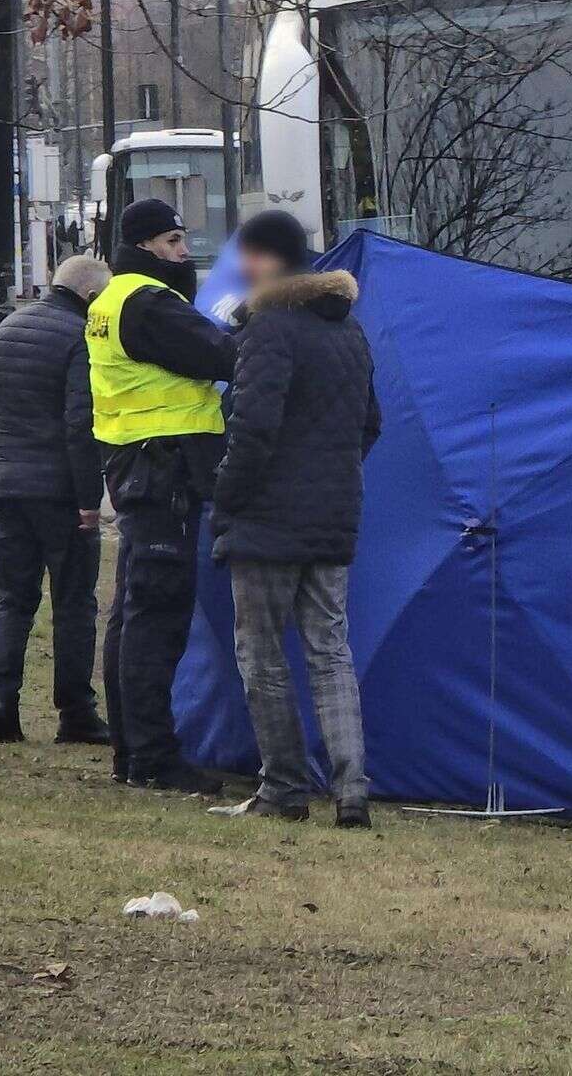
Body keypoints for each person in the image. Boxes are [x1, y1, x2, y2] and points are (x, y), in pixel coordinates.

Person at [212, 210, 380, 828]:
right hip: (334, 515)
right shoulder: (350, 333)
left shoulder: (267, 329)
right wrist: (330, 474)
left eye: (249, 253)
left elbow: (252, 429)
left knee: (261, 655)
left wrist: (226, 497)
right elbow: (371, 425)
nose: (242, 265)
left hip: (266, 521)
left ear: (270, 260)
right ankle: (353, 791)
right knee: (330, 652)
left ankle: (283, 788)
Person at [89, 198, 236, 794]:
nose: (185, 252)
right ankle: (152, 757)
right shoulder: (148, 303)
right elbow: (221, 353)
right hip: (163, 471)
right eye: (174, 241)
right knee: (156, 618)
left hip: (139, 469)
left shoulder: (111, 302)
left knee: (130, 614)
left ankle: (133, 753)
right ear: (147, 246)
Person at [0, 255, 113, 745]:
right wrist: (88, 497)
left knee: (12, 599)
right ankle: (75, 712)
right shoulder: (80, 338)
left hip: (9, 489)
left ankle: (1, 700)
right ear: (91, 297)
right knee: (74, 602)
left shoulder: (7, 329)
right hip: (60, 493)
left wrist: (7, 458)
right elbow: (80, 423)